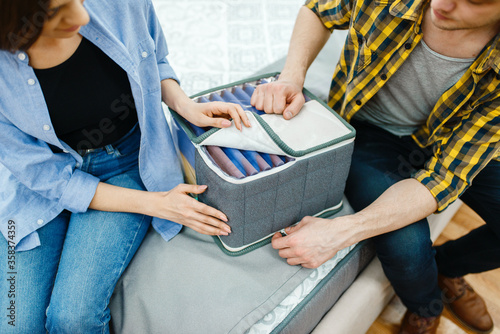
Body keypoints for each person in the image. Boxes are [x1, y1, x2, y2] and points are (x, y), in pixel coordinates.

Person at [0, 0, 250, 332]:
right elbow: (43, 176)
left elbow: (153, 59)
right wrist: (159, 205)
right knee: (14, 324)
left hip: (127, 165)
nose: (82, 16)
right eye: (55, 11)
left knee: (72, 319)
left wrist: (184, 105)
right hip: (40, 187)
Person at [250, 0, 500, 332]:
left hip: (453, 142)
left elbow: (445, 176)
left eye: (474, 0)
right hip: (372, 133)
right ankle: (426, 306)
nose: (443, 3)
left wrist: (340, 232)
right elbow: (318, 10)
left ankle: (447, 267)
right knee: (408, 248)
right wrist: (292, 76)